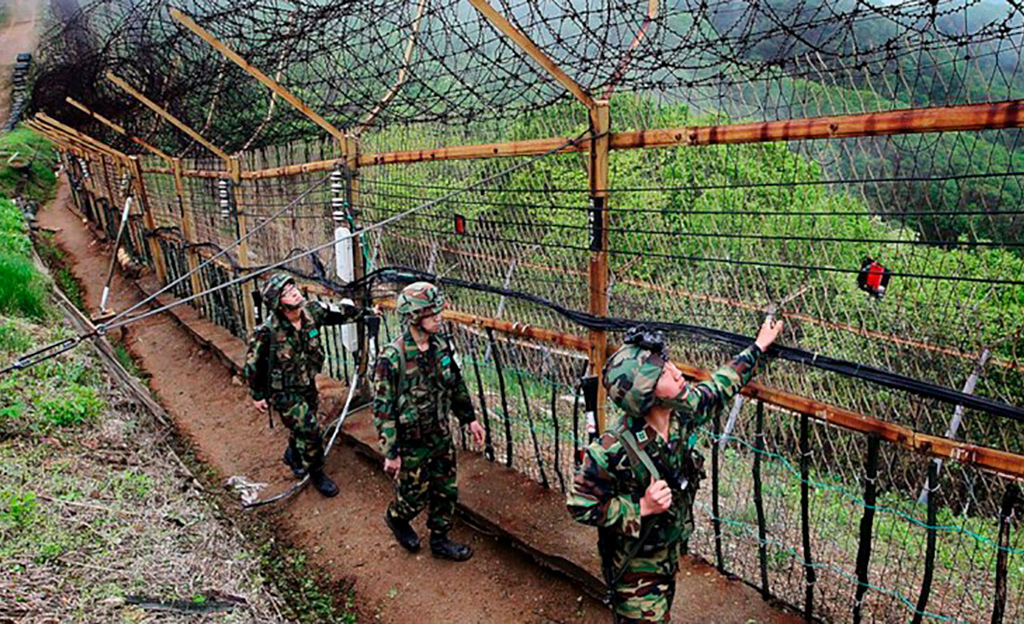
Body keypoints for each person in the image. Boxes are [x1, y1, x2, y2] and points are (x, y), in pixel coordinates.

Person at [567, 318, 784, 623]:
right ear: (644, 394)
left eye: (670, 366)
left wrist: (758, 347)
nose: (678, 374)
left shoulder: (682, 414)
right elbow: (581, 505)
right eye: (665, 374)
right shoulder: (611, 449)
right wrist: (640, 507)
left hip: (668, 552)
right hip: (635, 566)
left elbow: (719, 387)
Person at [373, 281, 486, 561]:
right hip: (410, 443)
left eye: (438, 312)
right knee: (413, 496)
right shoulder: (393, 358)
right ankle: (397, 518)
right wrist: (391, 452)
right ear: (414, 317)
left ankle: (440, 538)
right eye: (431, 313)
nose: (438, 318)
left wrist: (469, 419)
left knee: (445, 489)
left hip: (439, 434)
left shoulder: (441, 346)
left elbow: (455, 384)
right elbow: (382, 408)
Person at [243, 272, 366, 497]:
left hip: (307, 384)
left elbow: (338, 314)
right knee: (310, 431)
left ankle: (293, 454)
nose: (295, 292)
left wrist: (365, 315)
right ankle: (316, 471)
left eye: (294, 288)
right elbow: (253, 365)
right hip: (284, 392)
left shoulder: (311, 312)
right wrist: (257, 394)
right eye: (288, 293)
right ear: (279, 304)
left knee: (300, 425)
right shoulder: (267, 332)